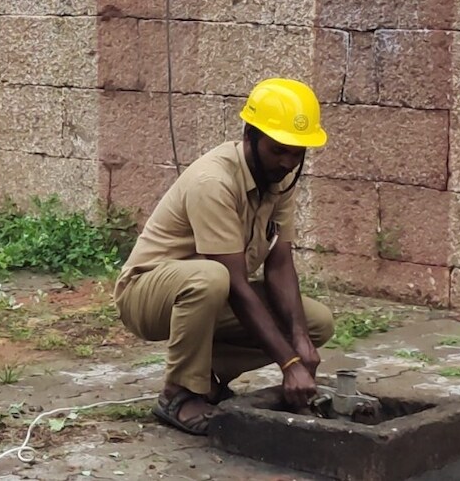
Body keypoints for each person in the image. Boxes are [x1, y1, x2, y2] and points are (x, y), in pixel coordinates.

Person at [113, 78, 336, 436]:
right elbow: (232, 284)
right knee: (212, 279)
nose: (288, 162)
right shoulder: (214, 181)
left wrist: (300, 343)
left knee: (317, 322)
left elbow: (279, 264)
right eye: (279, 149)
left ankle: (206, 375)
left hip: (208, 296)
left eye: (297, 153)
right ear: (250, 135)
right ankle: (179, 393)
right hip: (146, 295)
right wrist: (288, 362)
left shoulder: (279, 181)